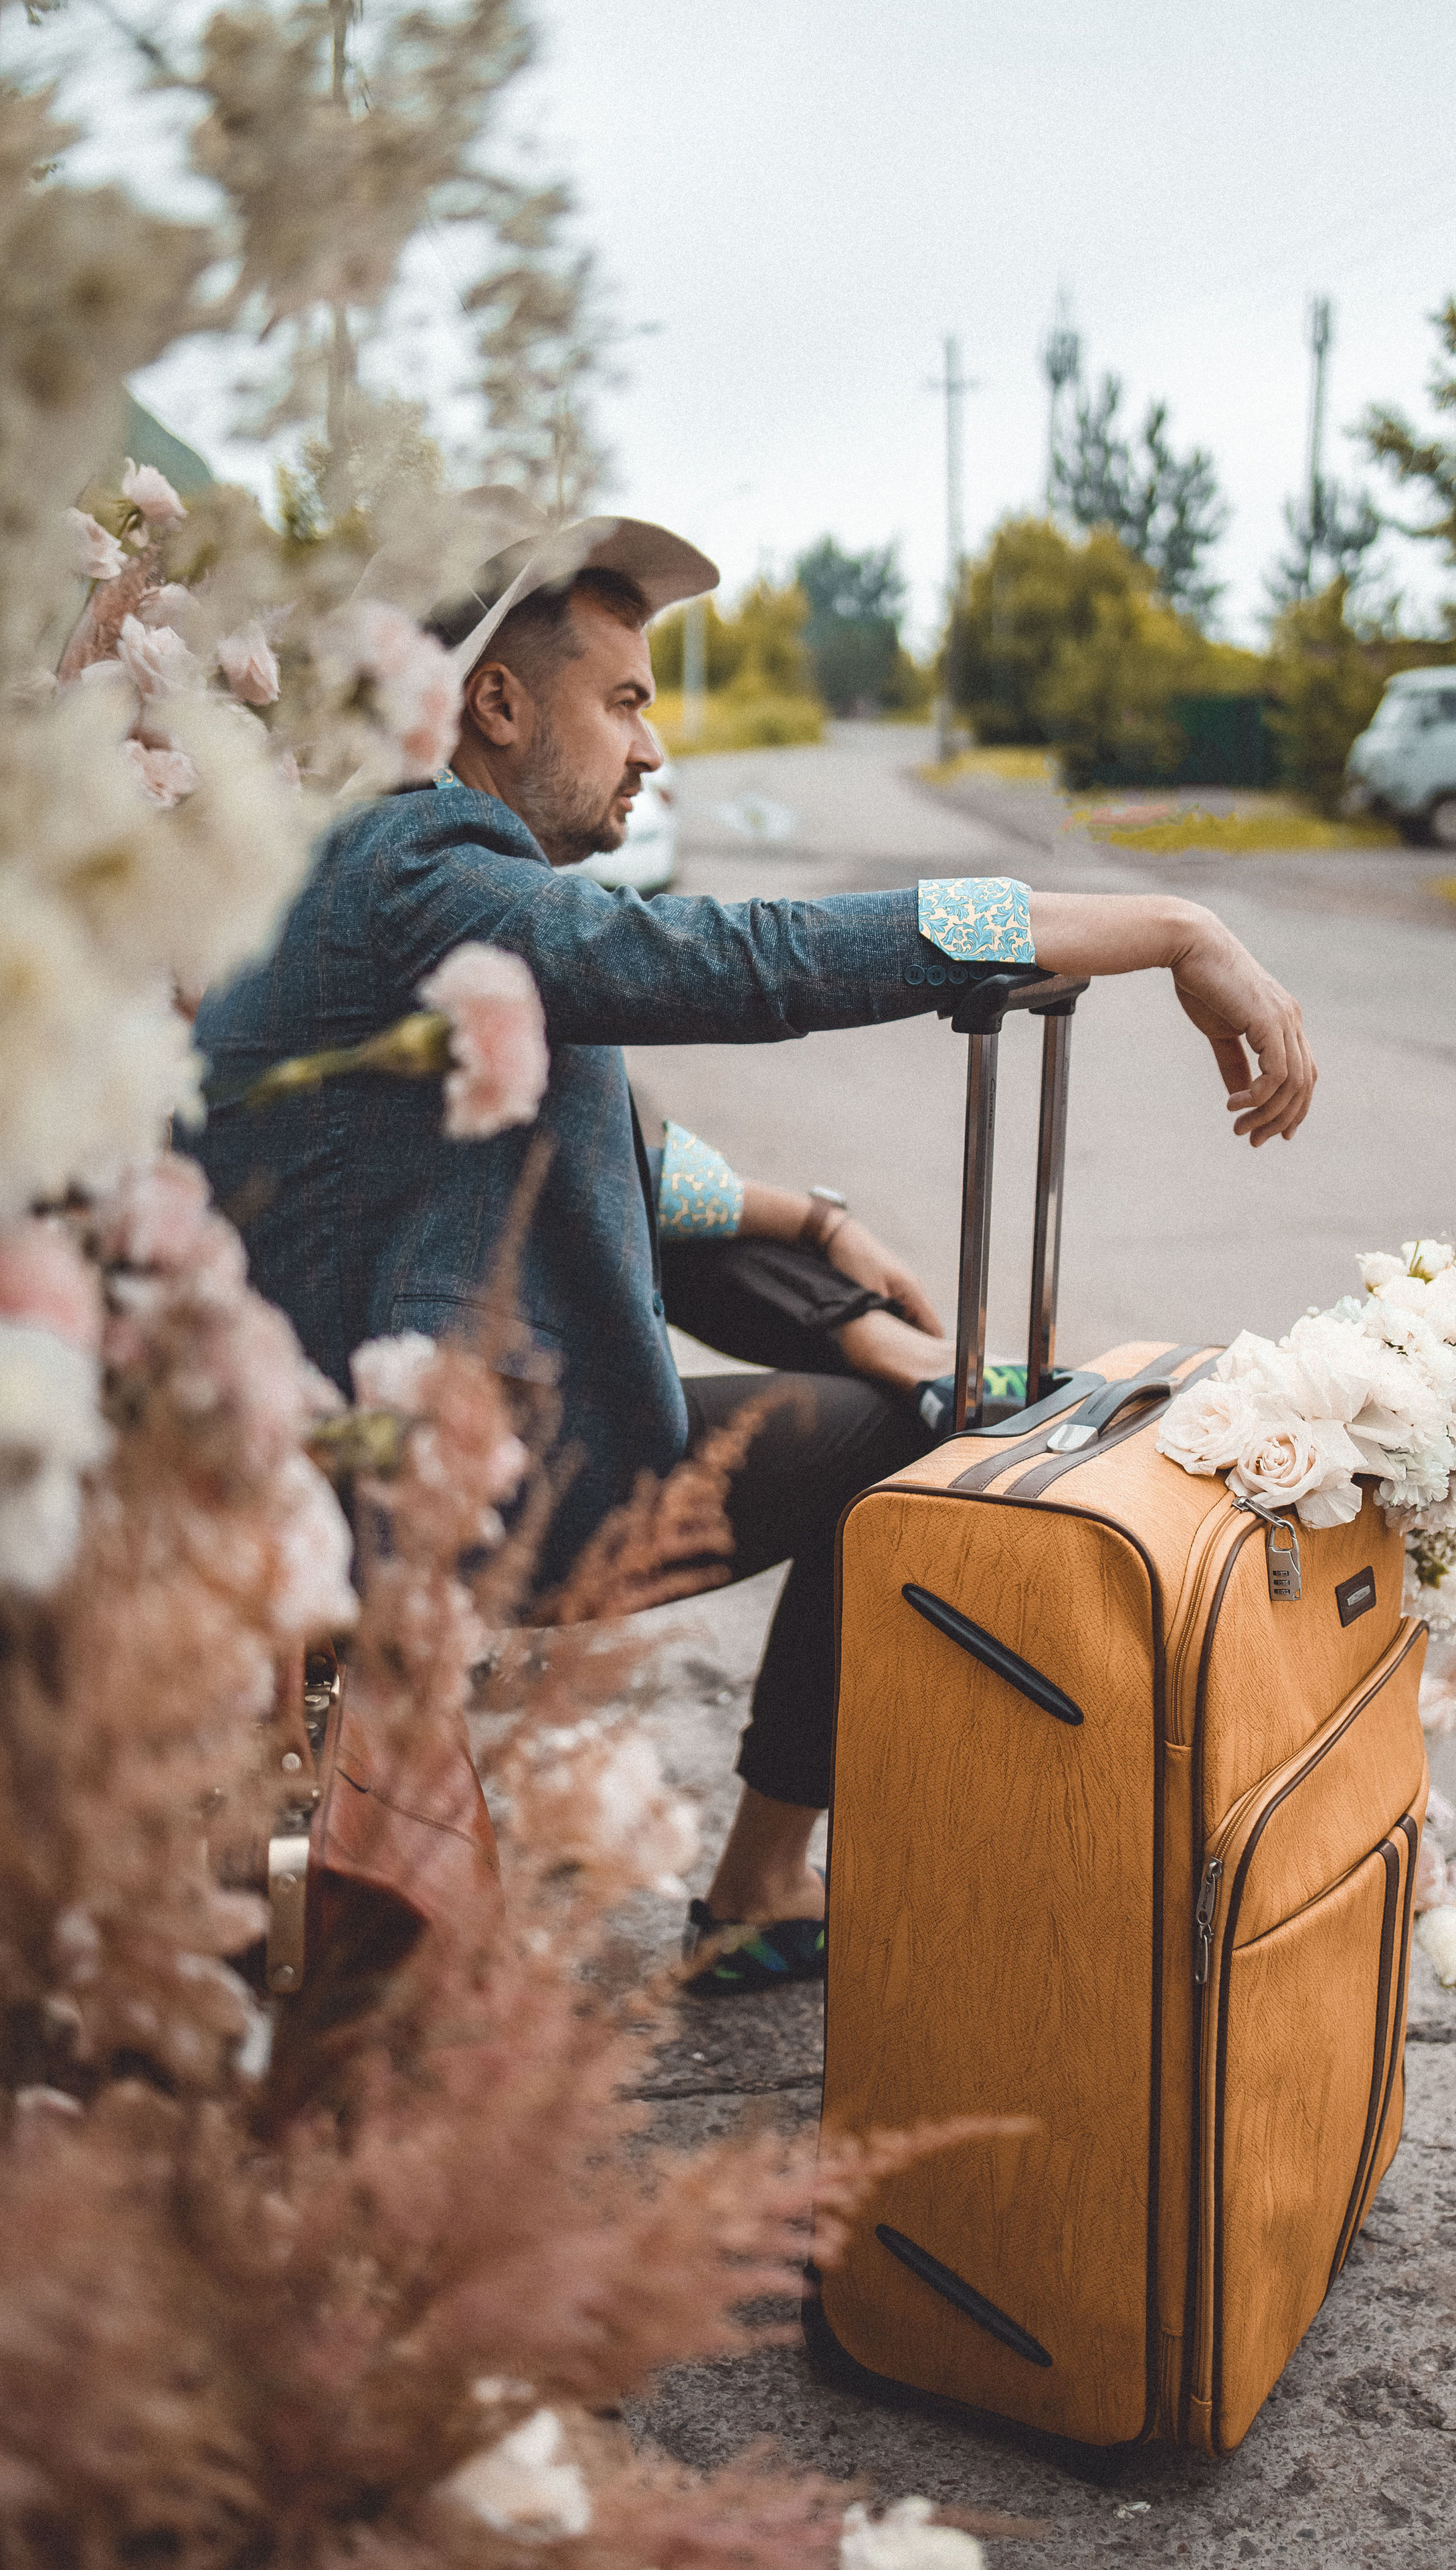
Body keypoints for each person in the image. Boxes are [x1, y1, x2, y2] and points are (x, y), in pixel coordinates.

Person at [191, 511, 1316, 1996]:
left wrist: (820, 1236)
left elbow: (615, 1163)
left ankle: (766, 1859)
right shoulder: (423, 865)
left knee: (905, 1387)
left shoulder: (384, 881)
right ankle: (757, 1882)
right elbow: (742, 962)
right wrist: (1165, 923)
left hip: (385, 1455)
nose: (652, 750)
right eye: (627, 700)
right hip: (425, 1497)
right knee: (908, 1452)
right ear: (498, 705)